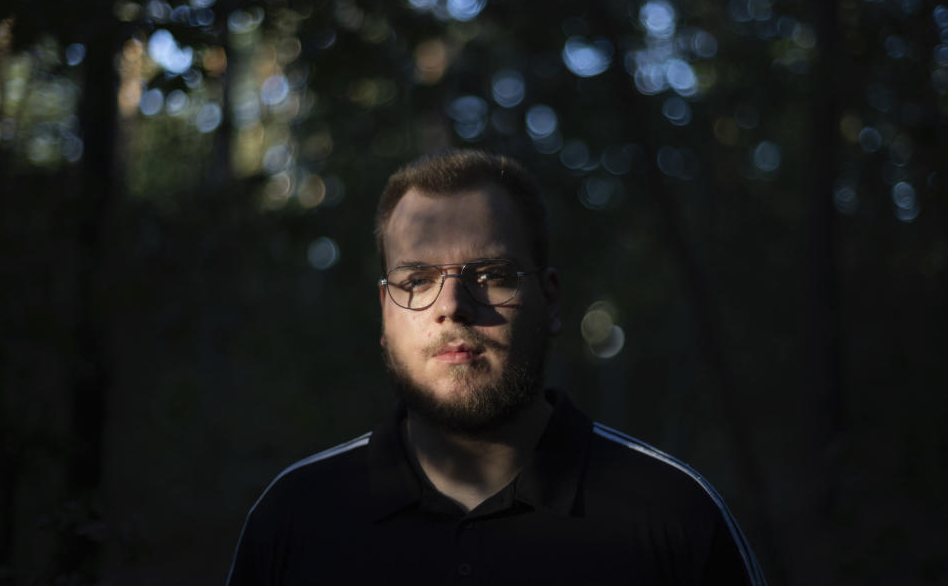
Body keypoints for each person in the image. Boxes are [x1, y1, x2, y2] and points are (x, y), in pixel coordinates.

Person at [226, 149, 767, 585]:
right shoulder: (295, 517)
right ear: (385, 313)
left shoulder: (672, 512)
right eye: (416, 281)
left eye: (490, 274)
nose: (451, 304)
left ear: (551, 302)